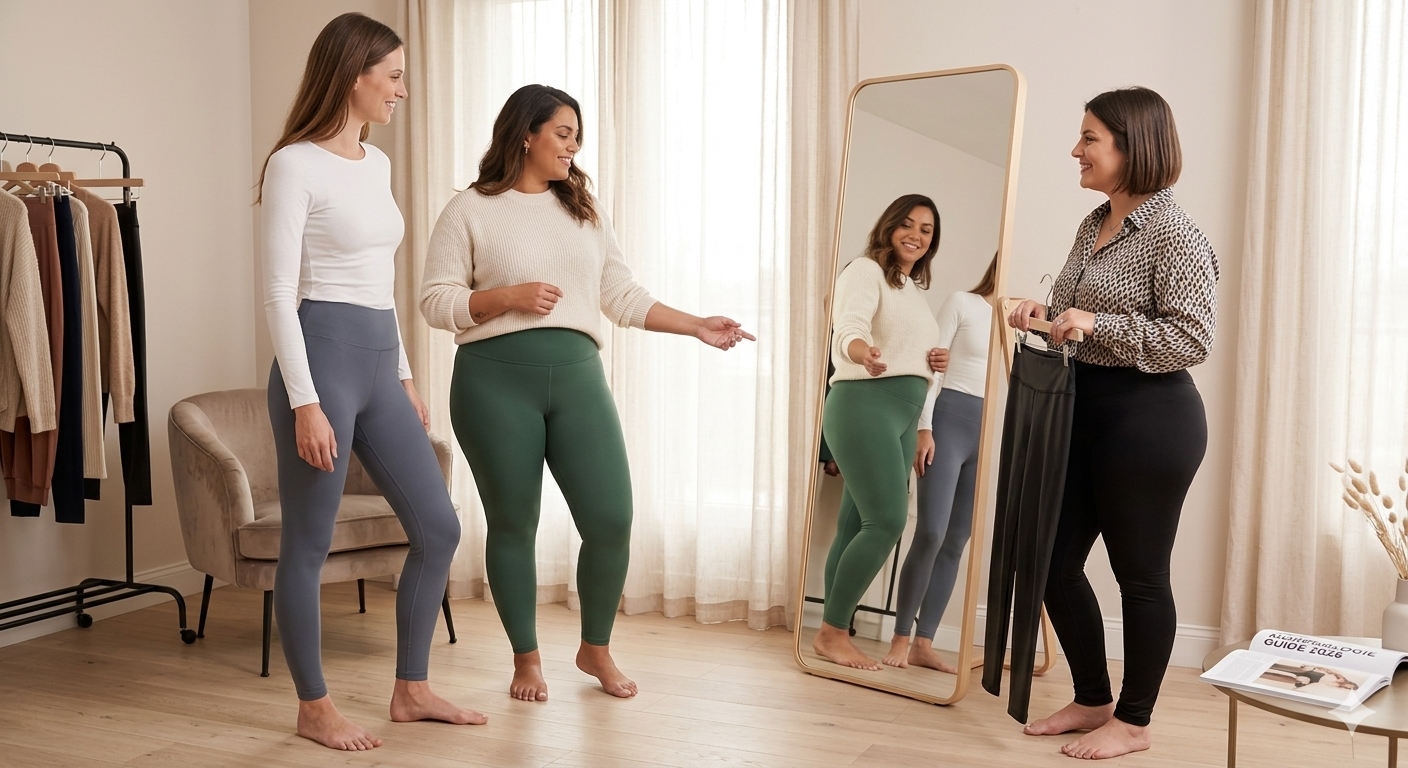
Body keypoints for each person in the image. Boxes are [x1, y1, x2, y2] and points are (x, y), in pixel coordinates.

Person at [419, 84, 754, 702]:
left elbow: (621, 295)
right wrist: (507, 297)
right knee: (514, 523)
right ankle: (526, 659)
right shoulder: (468, 209)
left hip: (577, 376)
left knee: (611, 518)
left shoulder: (583, 211)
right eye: (563, 133)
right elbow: (435, 300)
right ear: (527, 134)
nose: (573, 146)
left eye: (577, 136)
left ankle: (594, 648)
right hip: (493, 381)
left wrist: (697, 325)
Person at [258, 13, 484, 751]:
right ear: (354, 74)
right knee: (308, 545)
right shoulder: (293, 164)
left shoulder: (375, 163)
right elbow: (276, 293)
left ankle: (412, 689)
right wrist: (304, 401)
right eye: (393, 76)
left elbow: (383, 281)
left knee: (439, 526)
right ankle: (313, 705)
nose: (403, 91)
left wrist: (407, 373)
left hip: (379, 364)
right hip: (320, 363)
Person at [1009, 86, 1218, 760]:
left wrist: (1098, 322)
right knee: (1051, 563)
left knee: (1141, 576)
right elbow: (1077, 316)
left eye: (1090, 137)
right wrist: (1040, 313)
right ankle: (1093, 698)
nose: (1076, 149)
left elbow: (1191, 339)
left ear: (1134, 146)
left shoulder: (1175, 234)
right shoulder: (1091, 223)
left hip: (1150, 419)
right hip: (1083, 408)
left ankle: (1133, 721)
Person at [812, 194, 943, 672]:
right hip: (865, 404)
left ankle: (833, 628)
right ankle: (832, 633)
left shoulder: (913, 290)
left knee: (853, 526)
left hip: (904, 415)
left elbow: (914, 353)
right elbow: (847, 326)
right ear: (889, 226)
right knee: (887, 522)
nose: (916, 235)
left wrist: (935, 364)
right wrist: (861, 350)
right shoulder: (865, 271)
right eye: (907, 224)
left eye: (926, 230)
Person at [883, 254, 996, 673]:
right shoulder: (963, 303)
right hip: (948, 419)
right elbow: (933, 365)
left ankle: (924, 643)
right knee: (930, 531)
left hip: (988, 429)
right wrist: (925, 427)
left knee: (956, 538)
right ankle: (899, 638)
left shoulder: (1027, 321)